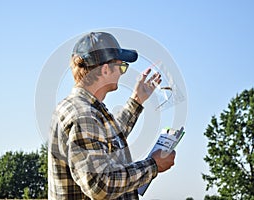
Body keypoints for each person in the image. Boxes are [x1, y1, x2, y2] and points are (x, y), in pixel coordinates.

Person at [48, 32, 176, 199]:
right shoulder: (83, 115)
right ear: (106, 69)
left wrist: (137, 100)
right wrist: (153, 165)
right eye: (121, 66)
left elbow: (108, 139)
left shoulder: (85, 110)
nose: (122, 73)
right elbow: (100, 185)